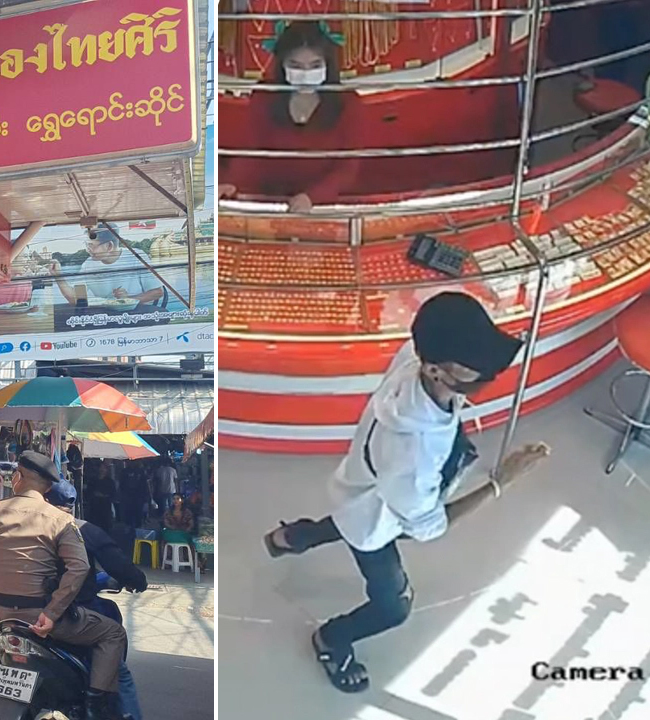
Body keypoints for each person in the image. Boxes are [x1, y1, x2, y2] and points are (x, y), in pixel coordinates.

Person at [261, 292, 552, 693]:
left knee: (351, 515)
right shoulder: (413, 456)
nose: (486, 378)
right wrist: (500, 481)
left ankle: (293, 537)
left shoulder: (411, 360)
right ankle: (332, 640)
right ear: (436, 370)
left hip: (359, 485)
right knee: (392, 607)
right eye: (476, 373)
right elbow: (427, 526)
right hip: (376, 519)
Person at [0, 451, 129, 720]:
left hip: (0, 615)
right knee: (113, 633)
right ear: (48, 487)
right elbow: (79, 567)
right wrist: (51, 613)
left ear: (18, 477)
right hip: (41, 618)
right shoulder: (60, 520)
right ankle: (96, 703)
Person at [219, 20, 358, 212]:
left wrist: (312, 197)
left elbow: (348, 168)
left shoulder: (347, 102)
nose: (305, 74)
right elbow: (252, 151)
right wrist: (232, 183)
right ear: (282, 65)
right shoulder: (264, 95)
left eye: (315, 65)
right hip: (270, 199)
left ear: (328, 65)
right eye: (296, 66)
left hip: (324, 204)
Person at [46, 480, 147, 720]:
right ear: (72, 505)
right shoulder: (81, 529)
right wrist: (137, 580)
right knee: (118, 664)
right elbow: (111, 565)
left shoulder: (20, 526)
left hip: (16, 608)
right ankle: (98, 699)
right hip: (67, 613)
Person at [47, 228, 167, 308]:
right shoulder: (88, 264)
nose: (87, 250)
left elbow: (158, 292)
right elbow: (76, 299)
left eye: (91, 246)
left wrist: (129, 299)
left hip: (136, 316)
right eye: (86, 245)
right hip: (105, 316)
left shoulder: (136, 256)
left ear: (109, 246)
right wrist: (58, 276)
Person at [118, 464, 151, 530]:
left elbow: (145, 484)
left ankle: (138, 526)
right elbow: (121, 484)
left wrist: (147, 496)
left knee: (138, 512)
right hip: (128, 496)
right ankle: (129, 525)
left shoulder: (141, 471)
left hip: (139, 496)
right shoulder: (124, 471)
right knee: (128, 511)